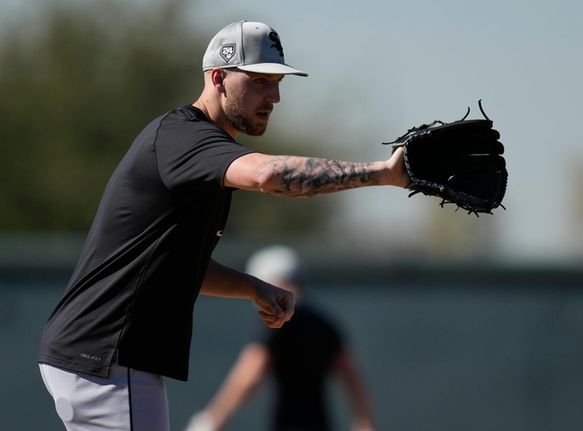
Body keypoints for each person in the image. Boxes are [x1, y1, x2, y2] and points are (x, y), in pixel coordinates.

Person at [37, 20, 407, 431]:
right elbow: (268, 175)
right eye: (261, 81)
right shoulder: (185, 137)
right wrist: (381, 174)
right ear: (218, 78)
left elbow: (176, 266)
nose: (275, 96)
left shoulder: (199, 152)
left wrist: (253, 287)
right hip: (108, 353)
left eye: (277, 82)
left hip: (98, 355)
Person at [185, 246, 375, 431]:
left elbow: (251, 372)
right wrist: (364, 422)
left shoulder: (279, 323)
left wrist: (214, 417)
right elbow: (351, 376)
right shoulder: (325, 322)